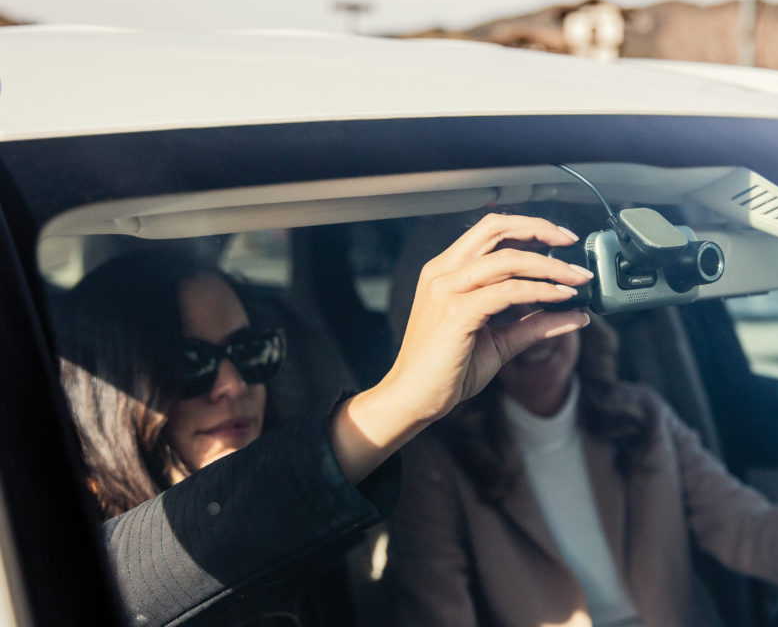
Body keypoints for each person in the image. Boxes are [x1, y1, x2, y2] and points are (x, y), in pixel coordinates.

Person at [55, 214, 595, 627]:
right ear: (112, 389)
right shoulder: (37, 553)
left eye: (249, 352)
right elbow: (131, 576)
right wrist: (401, 399)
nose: (234, 385)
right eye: (187, 364)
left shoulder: (308, 546)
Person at [386, 252, 778, 627]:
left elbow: (762, 540)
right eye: (505, 314)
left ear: (584, 311)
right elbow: (438, 615)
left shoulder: (643, 419)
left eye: (549, 301)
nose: (530, 329)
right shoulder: (438, 463)